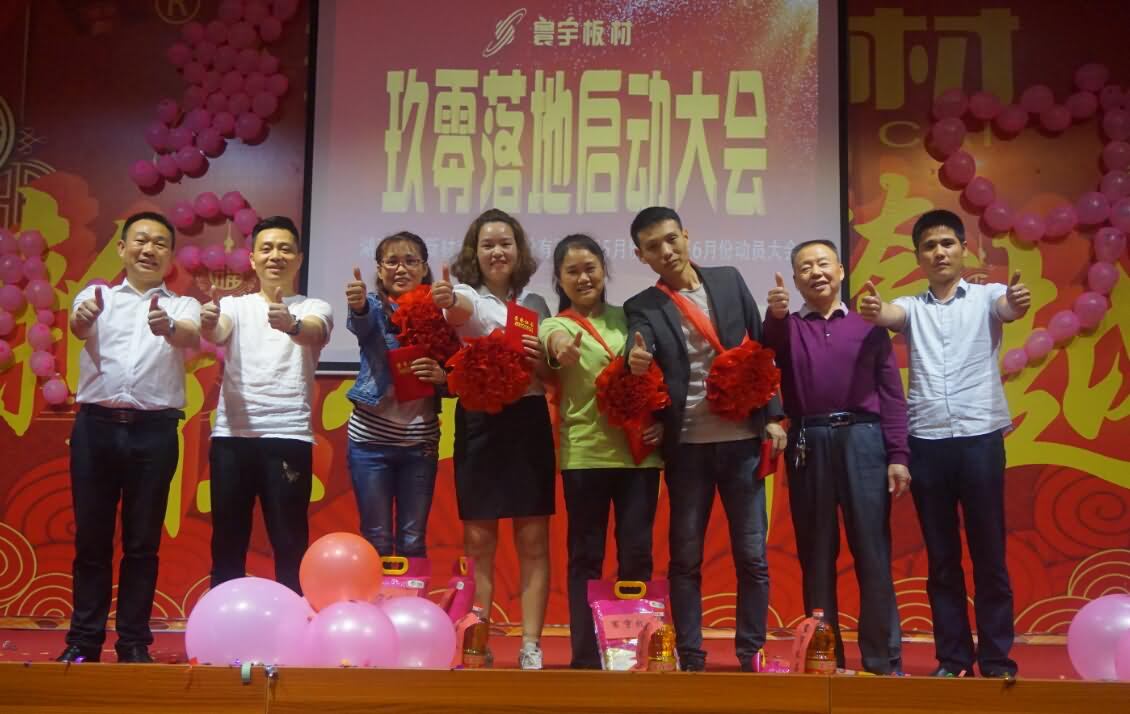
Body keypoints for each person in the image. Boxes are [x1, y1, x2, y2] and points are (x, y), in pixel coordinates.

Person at [860, 208, 1030, 678]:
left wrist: (1018, 300)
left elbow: (1009, 308)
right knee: (941, 559)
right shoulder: (911, 306)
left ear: (963, 249)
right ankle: (953, 659)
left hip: (980, 439)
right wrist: (874, 311)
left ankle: (996, 659)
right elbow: (889, 314)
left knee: (989, 554)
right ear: (919, 257)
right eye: (929, 246)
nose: (939, 252)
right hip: (927, 442)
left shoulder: (988, 296)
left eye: (947, 243)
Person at [623, 206, 787, 672]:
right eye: (653, 247)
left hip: (741, 442)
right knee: (686, 558)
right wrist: (634, 358)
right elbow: (639, 343)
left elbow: (762, 350)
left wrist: (774, 416)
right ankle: (691, 655)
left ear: (686, 235)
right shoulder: (643, 305)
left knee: (752, 556)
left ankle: (750, 652)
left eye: (671, 239)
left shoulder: (729, 280)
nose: (666, 251)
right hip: (687, 448)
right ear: (641, 255)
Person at [59, 211, 201, 663]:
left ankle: (134, 642)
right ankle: (83, 641)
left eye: (160, 243)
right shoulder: (95, 295)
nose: (149, 249)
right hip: (95, 429)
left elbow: (189, 334)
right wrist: (82, 318)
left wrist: (168, 328)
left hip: (154, 434)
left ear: (170, 257)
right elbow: (78, 325)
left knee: (142, 543)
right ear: (122, 248)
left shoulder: (182, 305)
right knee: (92, 540)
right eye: (141, 240)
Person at [763, 239, 908, 675]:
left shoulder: (868, 324)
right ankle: (824, 656)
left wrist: (898, 455)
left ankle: (882, 660)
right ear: (795, 279)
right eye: (805, 267)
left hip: (865, 440)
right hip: (809, 439)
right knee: (816, 553)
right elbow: (767, 350)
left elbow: (891, 394)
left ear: (841, 270)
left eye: (823, 263)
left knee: (873, 550)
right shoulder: (788, 328)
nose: (816, 272)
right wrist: (774, 315)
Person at [432, 208, 554, 669]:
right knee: (480, 543)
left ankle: (531, 645)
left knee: (534, 542)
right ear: (475, 253)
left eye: (505, 243)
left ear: (519, 251)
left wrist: (541, 358)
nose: (497, 252)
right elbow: (456, 308)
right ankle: (477, 640)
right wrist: (446, 298)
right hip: (480, 422)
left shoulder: (537, 305)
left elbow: (549, 373)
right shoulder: (467, 295)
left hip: (528, 420)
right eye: (488, 245)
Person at [538, 234, 664, 669]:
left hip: (638, 456)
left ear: (604, 271)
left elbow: (657, 375)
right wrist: (563, 350)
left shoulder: (631, 317)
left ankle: (634, 652)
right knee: (585, 557)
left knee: (637, 554)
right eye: (572, 271)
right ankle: (587, 656)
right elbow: (554, 345)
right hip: (585, 457)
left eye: (590, 268)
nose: (583, 277)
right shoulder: (554, 325)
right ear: (559, 279)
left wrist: (661, 423)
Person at [201, 216, 333, 594]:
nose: (276, 256)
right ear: (253, 258)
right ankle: (224, 622)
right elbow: (219, 330)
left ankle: (295, 620)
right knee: (227, 540)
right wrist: (208, 322)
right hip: (232, 438)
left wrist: (291, 324)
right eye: (267, 248)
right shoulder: (234, 305)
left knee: (289, 541)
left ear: (299, 259)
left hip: (288, 437)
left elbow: (314, 331)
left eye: (285, 249)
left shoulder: (314, 306)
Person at [344, 231, 447, 559]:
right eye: (391, 262)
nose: (401, 269)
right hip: (369, 444)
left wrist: (443, 378)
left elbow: (457, 370)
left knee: (413, 540)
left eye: (410, 261)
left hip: (420, 444)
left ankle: (411, 596)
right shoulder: (373, 306)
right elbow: (362, 324)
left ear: (424, 268)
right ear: (379, 269)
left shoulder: (442, 312)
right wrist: (358, 306)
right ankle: (376, 595)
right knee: (376, 539)